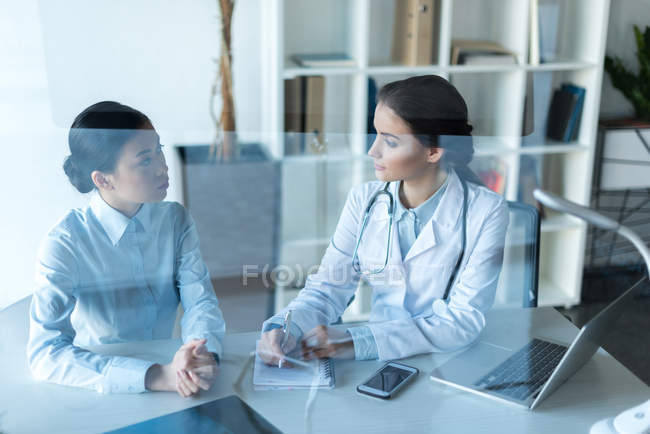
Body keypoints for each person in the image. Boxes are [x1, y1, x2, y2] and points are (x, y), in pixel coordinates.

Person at [258, 75, 509, 365]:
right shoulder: (363, 200)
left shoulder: (486, 211)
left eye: (390, 141)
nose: (372, 150)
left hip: (449, 361)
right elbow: (328, 288)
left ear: (433, 151)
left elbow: (462, 320)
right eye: (375, 134)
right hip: (378, 357)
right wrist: (284, 328)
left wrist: (356, 341)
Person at [27, 101, 224, 397]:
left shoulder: (175, 220)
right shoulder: (65, 243)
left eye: (159, 149)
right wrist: (156, 376)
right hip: (97, 387)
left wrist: (200, 352)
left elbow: (201, 302)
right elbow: (45, 353)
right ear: (103, 179)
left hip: (175, 372)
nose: (162, 166)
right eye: (145, 160)